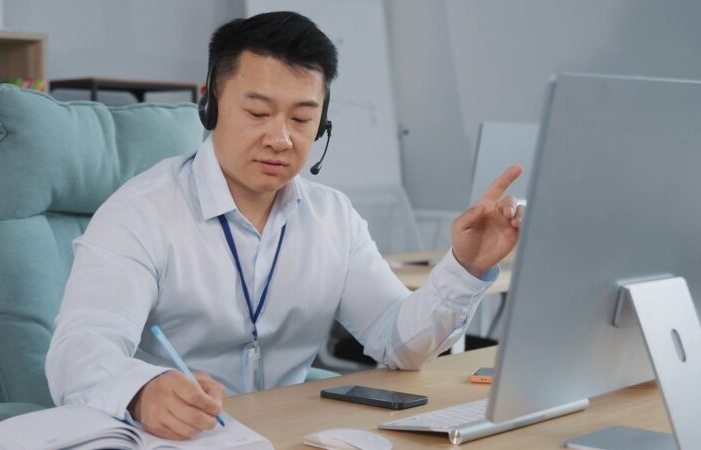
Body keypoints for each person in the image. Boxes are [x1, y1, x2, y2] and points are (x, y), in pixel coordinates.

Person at [45, 11, 524, 441]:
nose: (279, 138)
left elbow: (398, 343)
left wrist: (463, 267)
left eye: (301, 119)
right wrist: (142, 391)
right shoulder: (141, 212)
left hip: (288, 437)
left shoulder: (333, 218)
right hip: (176, 440)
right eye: (257, 113)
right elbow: (80, 348)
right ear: (209, 101)